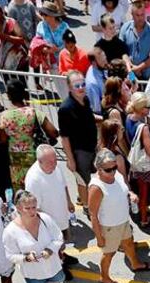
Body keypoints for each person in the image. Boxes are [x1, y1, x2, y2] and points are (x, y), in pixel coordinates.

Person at [4, 190, 73, 283]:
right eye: (27, 208)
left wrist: (50, 249)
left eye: (34, 207)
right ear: (18, 208)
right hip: (33, 271)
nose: (32, 211)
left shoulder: (45, 219)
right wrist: (26, 258)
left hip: (53, 266)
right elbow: (10, 255)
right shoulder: (10, 231)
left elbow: (58, 237)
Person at [88, 150, 150, 283]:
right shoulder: (96, 187)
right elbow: (93, 215)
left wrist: (131, 194)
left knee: (129, 243)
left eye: (114, 167)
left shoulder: (116, 175)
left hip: (123, 221)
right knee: (109, 253)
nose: (112, 172)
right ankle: (104, 277)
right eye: (108, 169)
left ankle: (135, 264)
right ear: (98, 169)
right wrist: (99, 237)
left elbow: (123, 189)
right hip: (109, 227)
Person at [24, 145, 78, 276]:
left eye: (55, 160)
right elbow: (33, 208)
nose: (54, 164)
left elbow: (64, 185)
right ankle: (60, 266)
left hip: (61, 216)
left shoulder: (54, 167)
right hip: (48, 223)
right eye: (50, 162)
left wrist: (69, 201)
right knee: (53, 246)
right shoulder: (33, 179)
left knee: (62, 241)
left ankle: (63, 255)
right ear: (40, 161)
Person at [0, 80, 60, 185]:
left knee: (21, 189)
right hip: (35, 156)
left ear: (8, 96)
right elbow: (53, 132)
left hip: (16, 159)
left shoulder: (4, 116)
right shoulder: (34, 113)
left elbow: (2, 139)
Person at [59, 71, 100, 209]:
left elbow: (88, 117)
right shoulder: (65, 109)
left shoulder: (85, 99)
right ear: (70, 87)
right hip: (79, 151)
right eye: (77, 85)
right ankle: (87, 207)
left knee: (92, 177)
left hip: (92, 146)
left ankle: (87, 199)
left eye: (83, 84)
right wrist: (70, 159)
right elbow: (64, 137)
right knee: (83, 181)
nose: (81, 88)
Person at [124, 92, 150, 226]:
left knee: (143, 191)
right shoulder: (144, 128)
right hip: (149, 166)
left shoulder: (129, 118)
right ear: (142, 109)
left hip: (137, 166)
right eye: (149, 106)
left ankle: (143, 219)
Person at [122, 0, 150, 80]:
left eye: (142, 15)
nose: (140, 18)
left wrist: (138, 68)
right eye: (137, 15)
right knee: (131, 90)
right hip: (130, 75)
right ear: (132, 15)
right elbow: (122, 51)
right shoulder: (125, 28)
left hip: (148, 78)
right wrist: (130, 67)